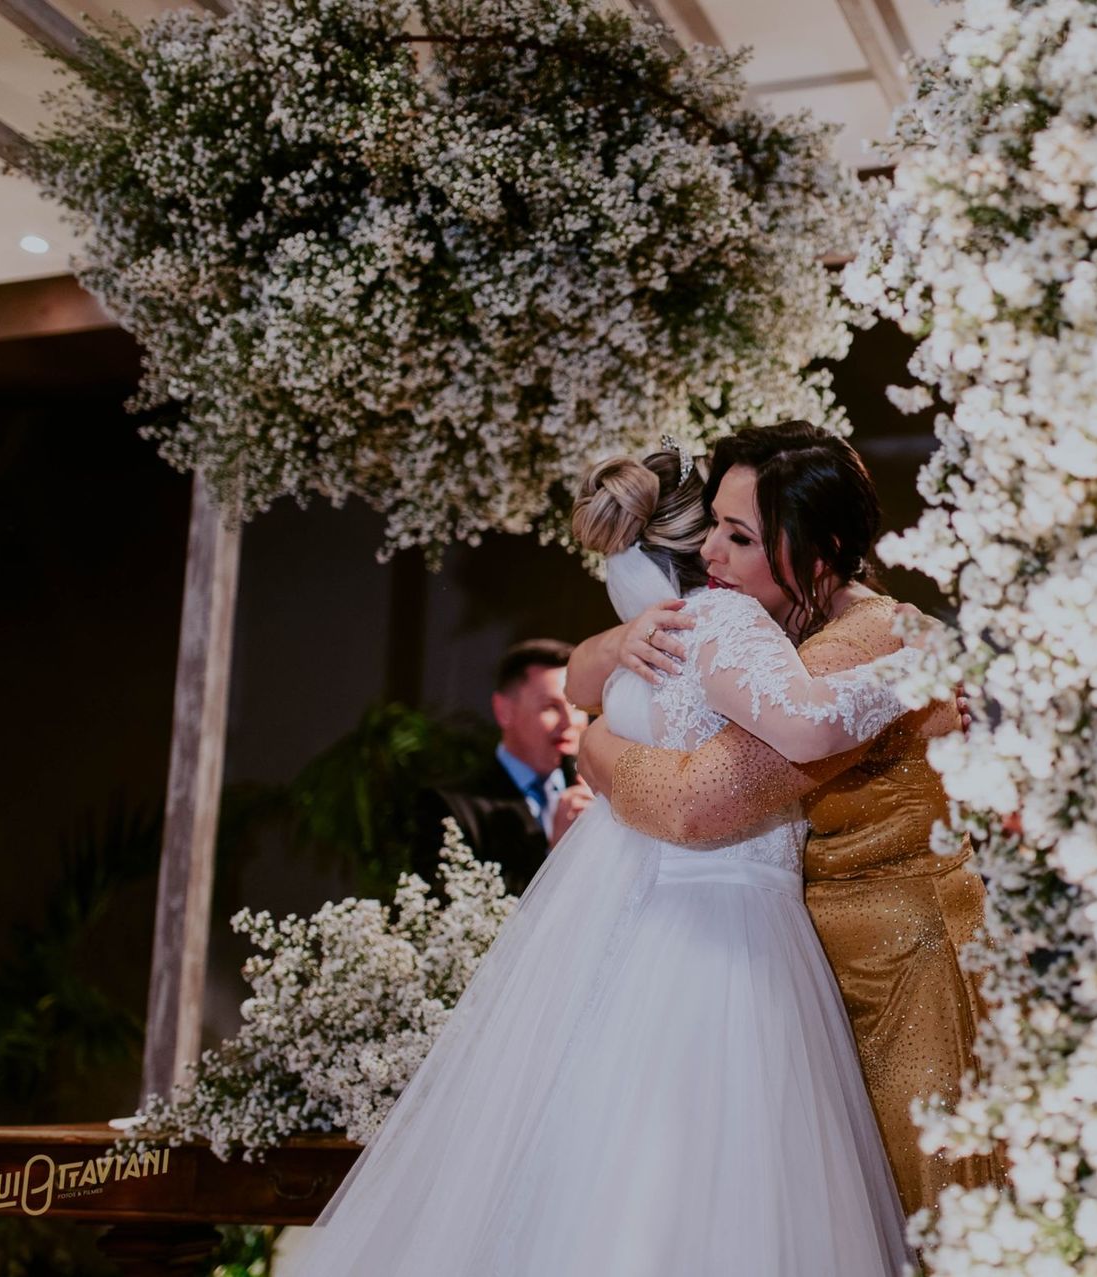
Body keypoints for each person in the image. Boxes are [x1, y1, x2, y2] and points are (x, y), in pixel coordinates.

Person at [283, 446, 915, 1277]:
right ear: (697, 553)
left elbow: (585, 682)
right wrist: (922, 666)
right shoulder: (726, 620)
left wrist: (600, 707)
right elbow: (790, 734)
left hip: (626, 916)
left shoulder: (648, 636)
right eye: (721, 535)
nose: (726, 555)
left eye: (743, 535)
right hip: (727, 934)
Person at [573, 422, 1004, 1218]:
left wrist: (595, 747)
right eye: (713, 529)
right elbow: (588, 667)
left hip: (908, 971)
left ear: (821, 547)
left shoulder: (864, 638)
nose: (710, 557)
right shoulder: (792, 631)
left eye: (739, 537)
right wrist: (612, 649)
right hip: (842, 968)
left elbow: (699, 801)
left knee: (940, 1216)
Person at [411, 639, 592, 897]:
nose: (569, 721)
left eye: (576, 705)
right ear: (504, 710)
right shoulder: (448, 806)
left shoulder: (599, 790)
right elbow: (451, 912)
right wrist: (555, 855)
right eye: (551, 707)